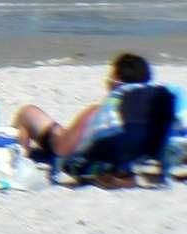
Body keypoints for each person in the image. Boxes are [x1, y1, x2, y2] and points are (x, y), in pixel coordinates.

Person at [13, 53, 153, 182]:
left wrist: (60, 134)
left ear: (116, 80)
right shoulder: (147, 115)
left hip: (82, 165)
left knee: (27, 113)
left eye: (111, 74)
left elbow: (62, 148)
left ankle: (18, 160)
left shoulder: (99, 112)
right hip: (115, 165)